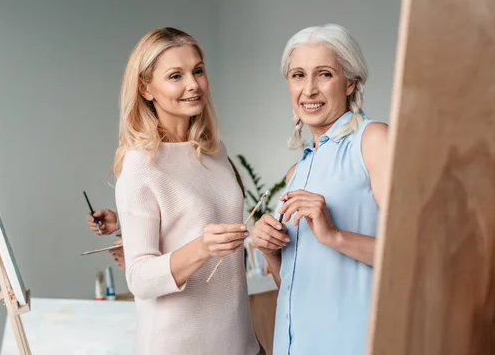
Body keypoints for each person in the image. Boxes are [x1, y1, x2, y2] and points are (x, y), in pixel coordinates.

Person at [90, 27, 259, 355]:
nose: (193, 84)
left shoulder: (215, 152)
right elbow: (139, 278)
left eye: (198, 70)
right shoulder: (140, 166)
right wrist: (202, 247)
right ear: (146, 88)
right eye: (175, 76)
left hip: (241, 344)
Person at [251, 23, 389, 354]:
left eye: (324, 74)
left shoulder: (373, 140)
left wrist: (334, 235)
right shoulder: (295, 173)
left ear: (351, 82)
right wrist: (270, 251)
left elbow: (416, 255)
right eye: (298, 75)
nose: (309, 89)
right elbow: (293, 286)